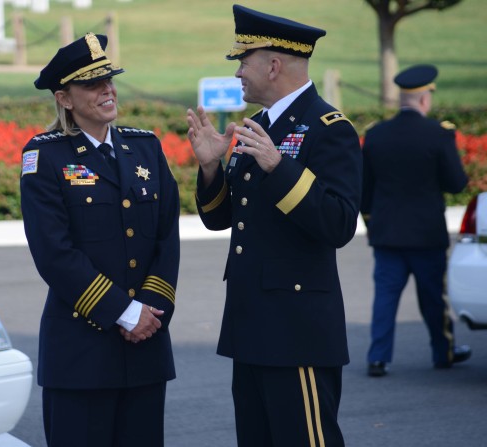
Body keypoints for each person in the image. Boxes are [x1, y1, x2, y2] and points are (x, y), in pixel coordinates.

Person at [186, 5, 362, 447]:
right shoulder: (260, 126)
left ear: (274, 64)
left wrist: (279, 166)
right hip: (252, 323)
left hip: (296, 329)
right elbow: (221, 219)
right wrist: (210, 168)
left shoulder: (329, 128)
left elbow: (339, 223)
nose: (239, 73)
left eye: (244, 62)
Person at [20, 33, 180, 447]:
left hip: (145, 350)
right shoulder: (45, 157)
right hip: (81, 354)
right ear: (65, 98)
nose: (107, 89)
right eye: (92, 83)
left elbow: (166, 239)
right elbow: (54, 254)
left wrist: (150, 313)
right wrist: (125, 313)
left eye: (109, 79)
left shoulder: (146, 148)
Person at [361, 64, 470, 377]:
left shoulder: (376, 135)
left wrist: (373, 224)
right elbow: (456, 183)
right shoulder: (438, 134)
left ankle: (378, 358)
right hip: (426, 235)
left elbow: (364, 190)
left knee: (385, 298)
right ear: (425, 100)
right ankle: (443, 352)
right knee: (434, 297)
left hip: (387, 234)